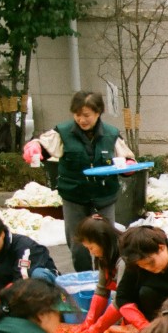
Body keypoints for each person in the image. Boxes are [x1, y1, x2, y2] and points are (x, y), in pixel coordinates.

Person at [22, 91, 136, 272]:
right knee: (78, 244)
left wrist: (129, 166)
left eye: (86, 115)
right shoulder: (63, 132)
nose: (81, 119)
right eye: (77, 115)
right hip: (74, 196)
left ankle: (106, 278)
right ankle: (84, 279)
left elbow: (126, 160)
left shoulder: (111, 134)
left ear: (98, 113)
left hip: (104, 196)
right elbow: (43, 148)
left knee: (106, 241)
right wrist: (34, 147)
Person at [0, 214, 58, 303]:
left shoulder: (25, 246)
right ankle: (8, 307)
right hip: (8, 287)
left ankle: (51, 306)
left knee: (38, 274)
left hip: (29, 282)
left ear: (1, 234)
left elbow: (22, 277)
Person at [73, 216, 124, 333]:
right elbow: (102, 290)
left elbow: (121, 299)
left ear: (103, 241)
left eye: (91, 248)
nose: (91, 253)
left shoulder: (124, 260)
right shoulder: (105, 255)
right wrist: (89, 322)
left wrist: (98, 327)